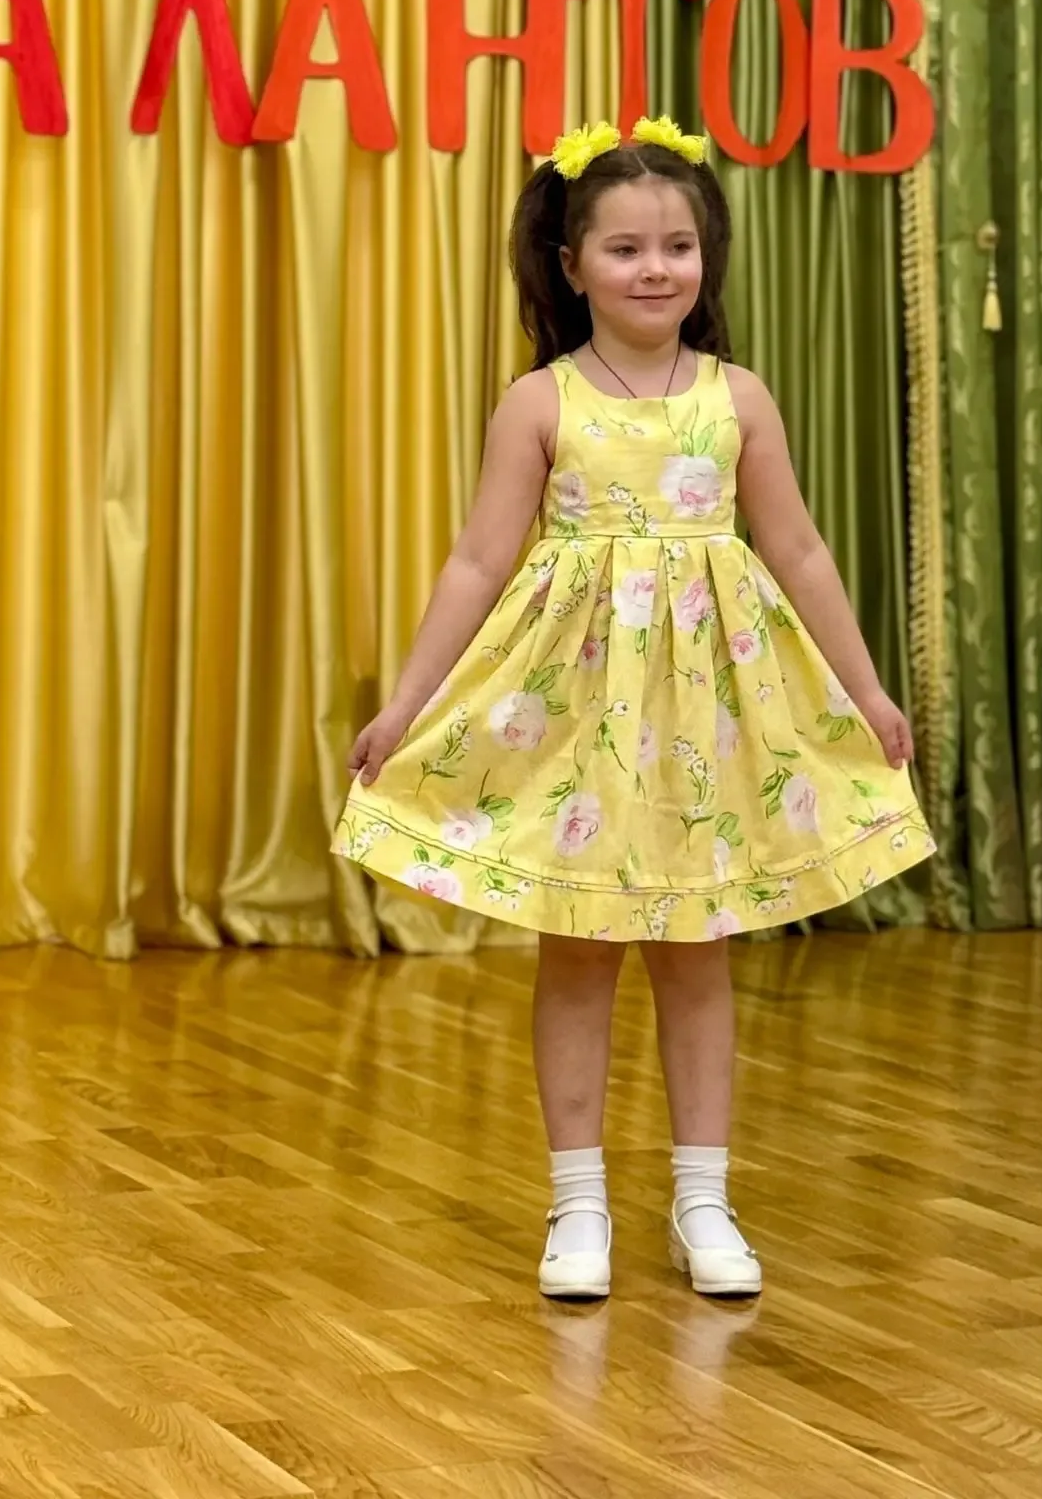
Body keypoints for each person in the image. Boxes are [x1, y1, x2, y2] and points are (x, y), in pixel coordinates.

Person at [333, 116, 935, 1302]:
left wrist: (864, 689)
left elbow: (799, 550)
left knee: (695, 953)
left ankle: (704, 1199)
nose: (655, 269)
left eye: (677, 246)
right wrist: (407, 705)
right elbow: (478, 562)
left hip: (711, 714)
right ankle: (579, 1204)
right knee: (578, 950)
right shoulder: (540, 402)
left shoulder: (737, 398)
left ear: (706, 257)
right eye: (624, 249)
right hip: (578, 711)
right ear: (570, 266)